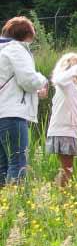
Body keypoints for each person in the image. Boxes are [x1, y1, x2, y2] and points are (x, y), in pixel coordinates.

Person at [0, 17, 48, 185]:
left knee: (2, 166)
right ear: (27, 35)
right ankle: (16, 204)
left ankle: (4, 206)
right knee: (18, 163)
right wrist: (43, 80)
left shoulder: (2, 49)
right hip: (12, 114)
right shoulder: (17, 49)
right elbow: (28, 80)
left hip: (2, 113)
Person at [46, 52, 77, 186]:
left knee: (67, 168)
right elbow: (59, 79)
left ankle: (61, 193)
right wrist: (74, 69)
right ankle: (62, 195)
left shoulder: (75, 89)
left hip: (69, 131)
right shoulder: (65, 85)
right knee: (67, 169)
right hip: (63, 132)